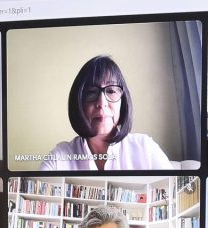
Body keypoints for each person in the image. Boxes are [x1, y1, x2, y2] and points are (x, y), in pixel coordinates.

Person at [40, 55, 172, 171]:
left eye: (111, 91)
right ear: (79, 103)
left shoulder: (145, 148)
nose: (102, 102)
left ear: (123, 100)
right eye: (91, 92)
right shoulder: (59, 158)